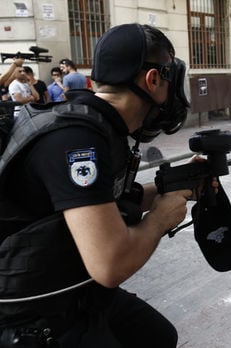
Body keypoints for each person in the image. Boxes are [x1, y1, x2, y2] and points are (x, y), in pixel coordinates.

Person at [0, 23, 196, 347]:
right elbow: (110, 263)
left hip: (76, 289)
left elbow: (102, 203)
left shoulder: (102, 126)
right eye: (169, 80)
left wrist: (176, 184)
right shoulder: (78, 141)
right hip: (34, 314)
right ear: (153, 80)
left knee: (157, 336)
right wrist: (160, 220)